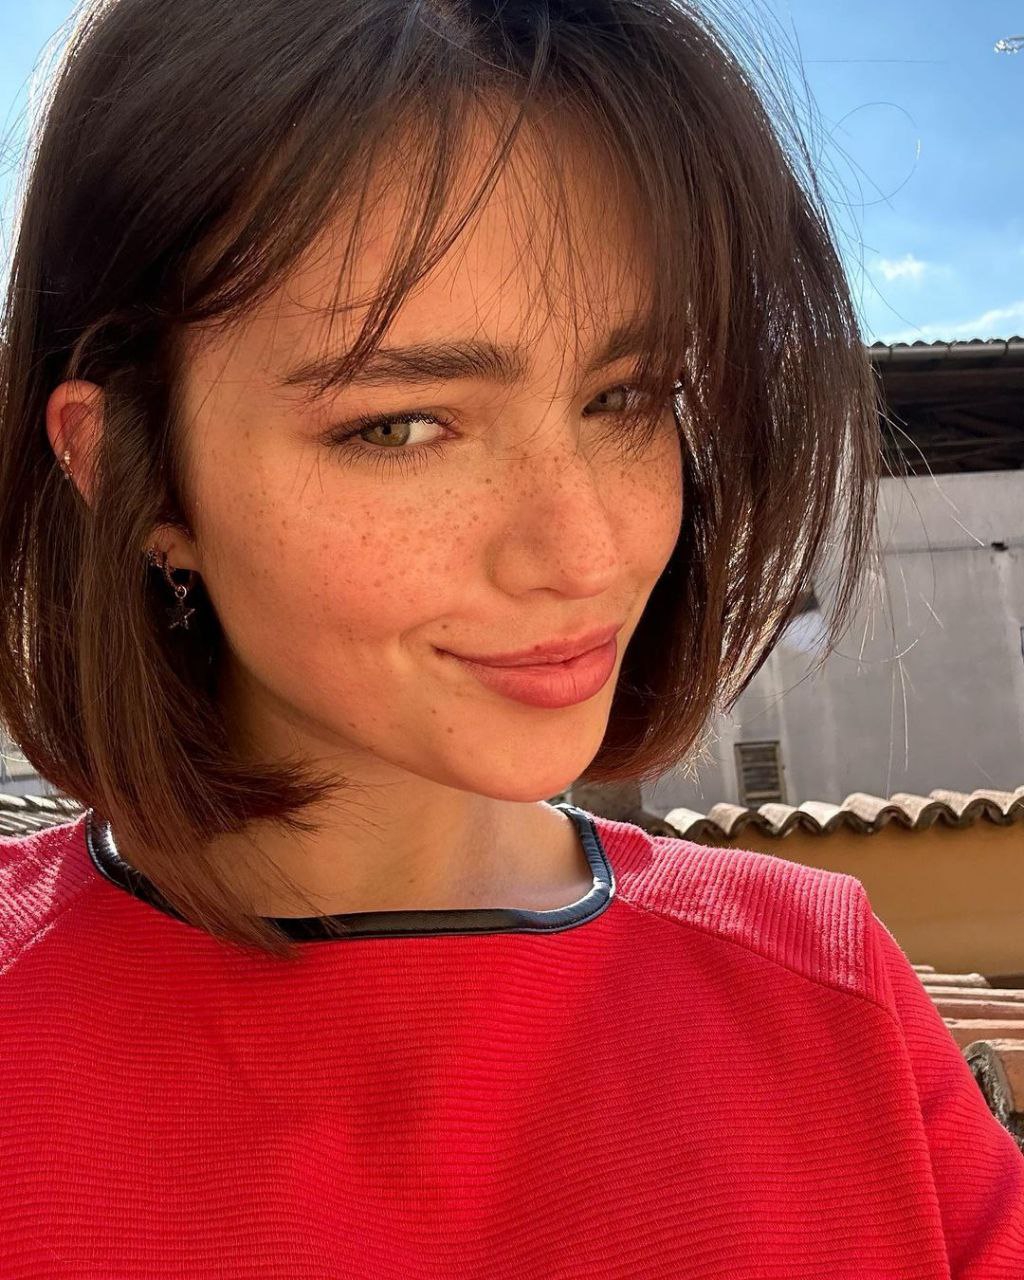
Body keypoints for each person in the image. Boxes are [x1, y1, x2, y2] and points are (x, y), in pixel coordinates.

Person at [0, 0, 1021, 1274]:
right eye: (401, 425)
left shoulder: (828, 999)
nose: (585, 553)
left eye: (625, 397)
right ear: (132, 473)